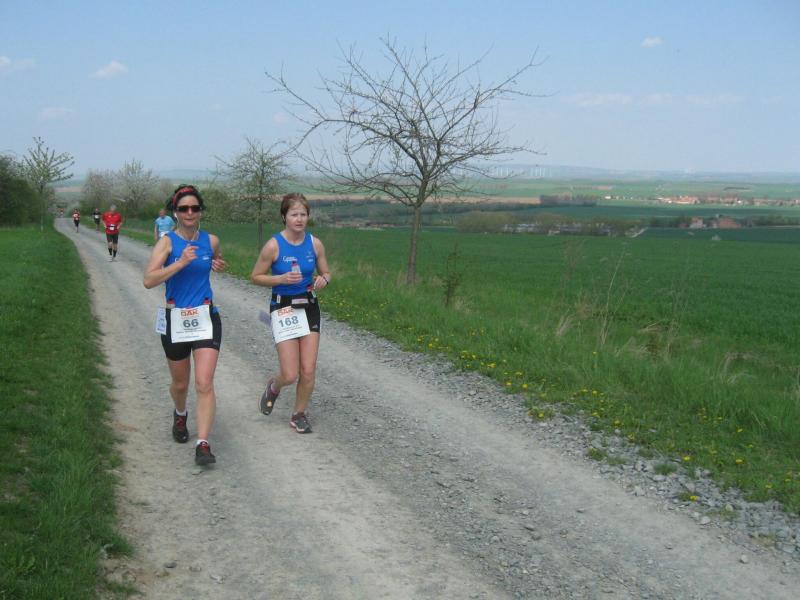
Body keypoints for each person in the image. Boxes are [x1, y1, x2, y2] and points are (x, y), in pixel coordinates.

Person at [143, 184, 226, 465]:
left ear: (200, 211)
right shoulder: (167, 243)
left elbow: (215, 258)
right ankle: (180, 414)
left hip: (206, 316)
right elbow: (148, 280)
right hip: (175, 318)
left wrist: (216, 263)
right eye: (183, 208)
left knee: (204, 383)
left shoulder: (211, 240)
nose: (190, 212)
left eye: (194, 208)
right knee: (181, 384)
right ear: (175, 212)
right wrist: (179, 263)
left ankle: (203, 444)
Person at [250, 193, 331, 434]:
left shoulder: (315, 244)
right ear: (284, 216)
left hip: (309, 306)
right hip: (283, 307)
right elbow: (255, 277)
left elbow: (326, 272)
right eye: (294, 214)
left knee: (308, 369)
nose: (299, 219)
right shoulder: (273, 245)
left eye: (303, 214)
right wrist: (281, 278)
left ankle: (299, 414)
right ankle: (274, 387)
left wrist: (324, 279)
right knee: (290, 373)